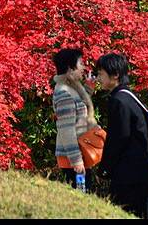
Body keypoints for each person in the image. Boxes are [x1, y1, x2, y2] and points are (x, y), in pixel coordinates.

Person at [96, 53, 148, 218]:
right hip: (141, 172)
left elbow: (118, 139)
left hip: (129, 176)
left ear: (115, 75)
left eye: (101, 73)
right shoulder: (130, 97)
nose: (98, 78)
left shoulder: (119, 100)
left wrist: (105, 169)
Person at [52, 48, 98, 192]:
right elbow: (67, 130)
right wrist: (76, 161)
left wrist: (88, 88)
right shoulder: (64, 93)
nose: (83, 68)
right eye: (80, 64)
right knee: (82, 197)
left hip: (79, 153)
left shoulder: (71, 88)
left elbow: (79, 108)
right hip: (72, 158)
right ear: (70, 68)